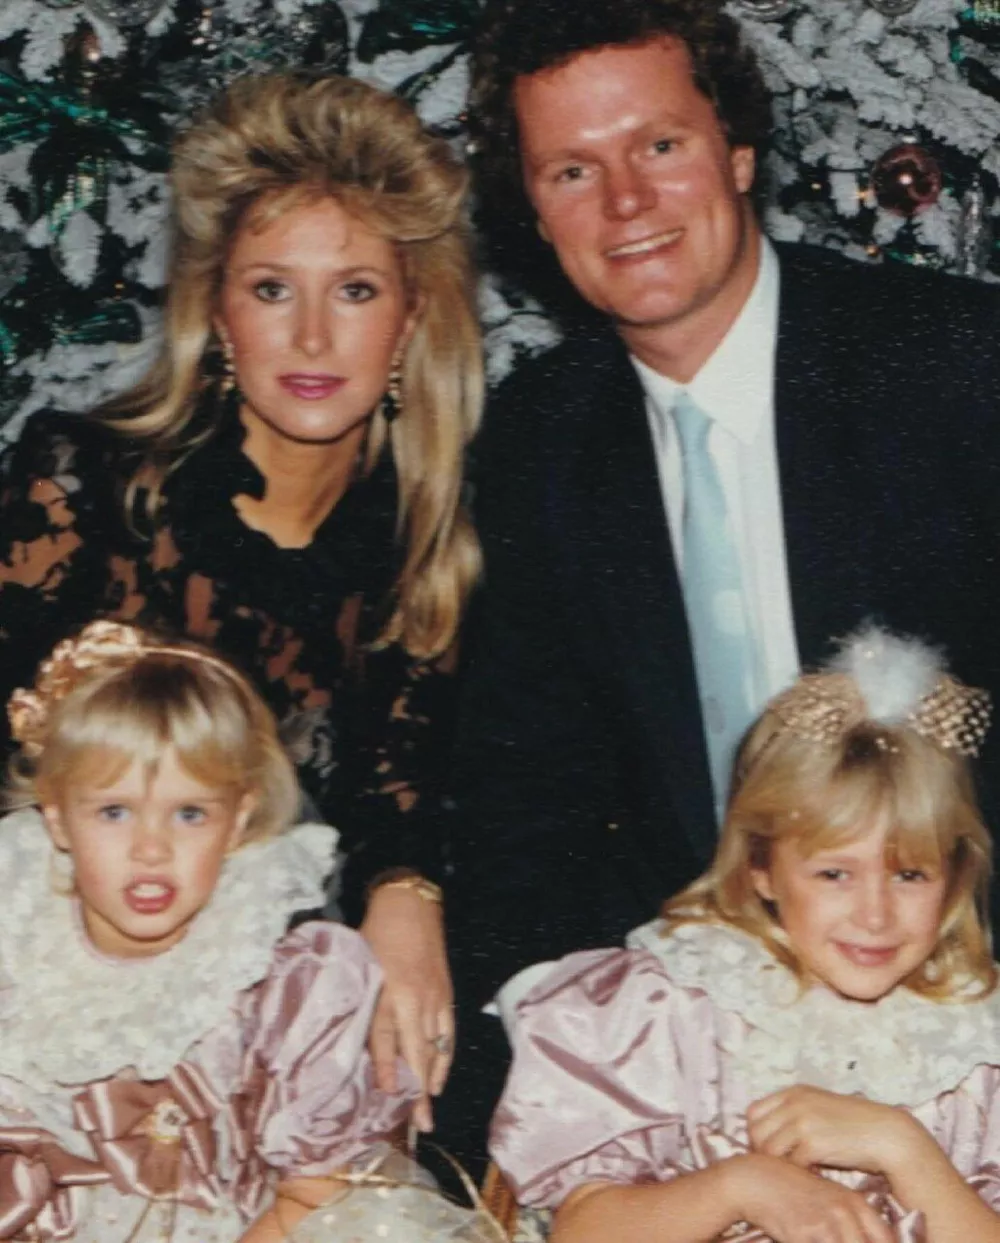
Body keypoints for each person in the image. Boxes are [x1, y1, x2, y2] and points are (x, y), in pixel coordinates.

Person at [441, 0, 1000, 1164]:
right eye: (571, 170)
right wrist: (552, 1074)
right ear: (534, 212)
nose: (625, 202)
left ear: (738, 150)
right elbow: (525, 796)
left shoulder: (952, 367)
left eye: (659, 144)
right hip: (700, 1050)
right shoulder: (541, 443)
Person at [0, 72, 483, 1128]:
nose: (310, 337)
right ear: (217, 311)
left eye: (354, 291)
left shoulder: (426, 550)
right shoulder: (84, 487)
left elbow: (399, 796)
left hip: (279, 1043)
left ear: (410, 320)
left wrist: (407, 891)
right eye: (271, 289)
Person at [490, 627, 1000, 1243]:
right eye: (835, 874)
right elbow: (582, 1231)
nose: (876, 915)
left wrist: (905, 1149)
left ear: (955, 877)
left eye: (910, 874)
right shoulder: (666, 1010)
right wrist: (741, 1186)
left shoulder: (978, 1041)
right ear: (760, 868)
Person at [0, 619, 503, 1243]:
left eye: (189, 813)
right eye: (114, 811)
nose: (151, 849)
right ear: (56, 818)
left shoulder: (286, 980)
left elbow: (316, 1194)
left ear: (237, 819)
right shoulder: (17, 939)